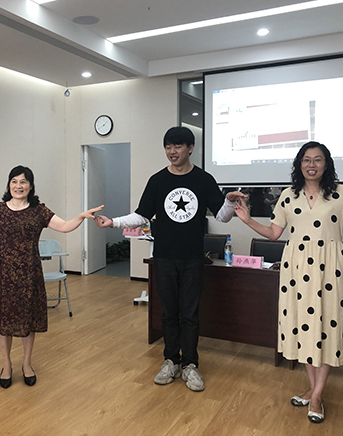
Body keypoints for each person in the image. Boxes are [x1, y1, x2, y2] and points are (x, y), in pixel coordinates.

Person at [233, 141, 343, 424]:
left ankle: (317, 395)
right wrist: (247, 220)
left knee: (327, 327)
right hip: (296, 270)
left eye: (318, 159)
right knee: (305, 327)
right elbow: (274, 233)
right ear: (299, 164)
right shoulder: (288, 196)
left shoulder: (342, 193)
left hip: (330, 270)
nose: (312, 165)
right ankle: (313, 389)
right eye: (306, 160)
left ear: (326, 164)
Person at [94, 126, 245, 392]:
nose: (172, 151)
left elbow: (221, 217)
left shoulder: (204, 179)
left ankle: (190, 364)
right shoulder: (157, 181)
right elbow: (141, 215)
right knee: (168, 313)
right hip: (163, 256)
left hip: (193, 258)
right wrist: (113, 222)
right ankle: (171, 361)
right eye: (168, 146)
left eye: (177, 146)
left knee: (190, 314)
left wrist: (230, 202)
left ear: (190, 148)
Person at [0, 165, 103, 388]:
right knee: (5, 321)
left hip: (30, 272)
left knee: (28, 320)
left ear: (30, 186)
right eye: (14, 181)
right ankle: (6, 365)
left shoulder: (39, 211)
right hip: (3, 272)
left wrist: (81, 216)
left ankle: (27, 364)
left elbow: (63, 226)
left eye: (23, 181)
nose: (18, 186)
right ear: (9, 184)